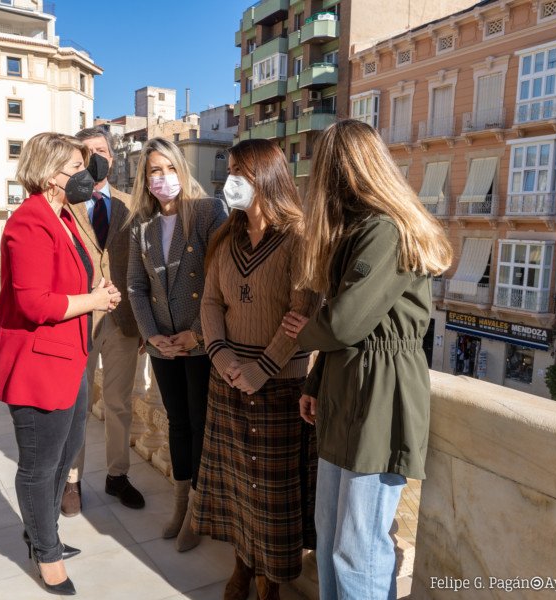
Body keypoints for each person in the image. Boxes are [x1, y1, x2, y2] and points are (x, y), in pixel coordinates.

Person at [281, 119, 452, 600]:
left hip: (380, 395)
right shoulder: (359, 230)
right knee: (332, 539)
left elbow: (343, 324)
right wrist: (315, 386)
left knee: (359, 548)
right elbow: (346, 328)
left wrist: (302, 335)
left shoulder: (386, 231)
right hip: (349, 388)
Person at [0, 132, 122, 595]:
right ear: (50, 175)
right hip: (38, 365)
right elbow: (33, 304)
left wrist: (95, 296)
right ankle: (45, 553)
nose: (85, 175)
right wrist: (94, 300)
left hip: (69, 357)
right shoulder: (29, 221)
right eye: (75, 166)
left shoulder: (64, 216)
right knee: (40, 465)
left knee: (64, 455)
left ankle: (41, 533)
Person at [194, 138, 320, 600]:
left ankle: (269, 578)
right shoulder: (224, 238)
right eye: (229, 172)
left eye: (239, 173)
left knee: (271, 496)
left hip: (280, 387)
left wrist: (260, 370)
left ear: (265, 176)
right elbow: (210, 303)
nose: (230, 182)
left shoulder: (299, 239)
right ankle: (243, 565)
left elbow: (300, 314)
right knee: (237, 488)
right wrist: (226, 360)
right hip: (227, 383)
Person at [126, 137, 227, 551]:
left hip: (200, 344)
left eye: (169, 168)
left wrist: (199, 334)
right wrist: (152, 337)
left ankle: (199, 512)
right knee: (177, 423)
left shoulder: (207, 212)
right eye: (154, 171)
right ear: (145, 178)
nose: (162, 178)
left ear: (182, 171)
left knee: (202, 425)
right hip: (163, 346)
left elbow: (223, 278)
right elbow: (135, 286)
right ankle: (182, 502)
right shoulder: (141, 225)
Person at [62, 127, 144, 517]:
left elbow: (145, 268)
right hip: (79, 317)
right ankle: (72, 480)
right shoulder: (66, 205)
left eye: (100, 150)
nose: (95, 157)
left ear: (112, 157)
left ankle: (118, 475)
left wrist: (146, 323)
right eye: (86, 152)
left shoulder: (133, 205)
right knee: (77, 403)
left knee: (119, 403)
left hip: (125, 321)